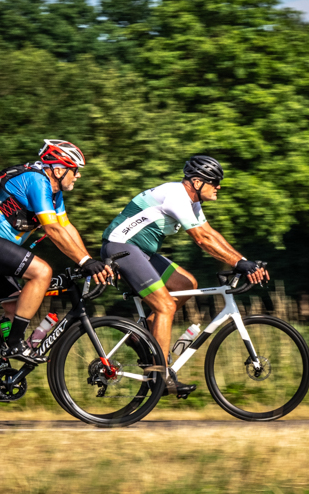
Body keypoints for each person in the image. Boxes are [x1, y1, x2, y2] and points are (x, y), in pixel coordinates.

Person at [99, 154, 270, 392]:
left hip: (140, 251)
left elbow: (209, 232)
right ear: (197, 182)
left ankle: (144, 336)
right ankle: (161, 374)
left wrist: (242, 261)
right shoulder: (176, 196)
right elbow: (201, 240)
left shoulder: (192, 201)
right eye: (214, 181)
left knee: (185, 283)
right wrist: (239, 265)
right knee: (166, 306)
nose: (219, 186)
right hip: (121, 248)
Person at [0, 139, 114, 369]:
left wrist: (89, 261)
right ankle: (16, 343)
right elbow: (52, 229)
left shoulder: (54, 193)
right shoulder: (37, 181)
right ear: (58, 170)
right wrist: (84, 261)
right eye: (74, 170)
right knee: (42, 272)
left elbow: (66, 227)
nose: (77, 176)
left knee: (14, 308)